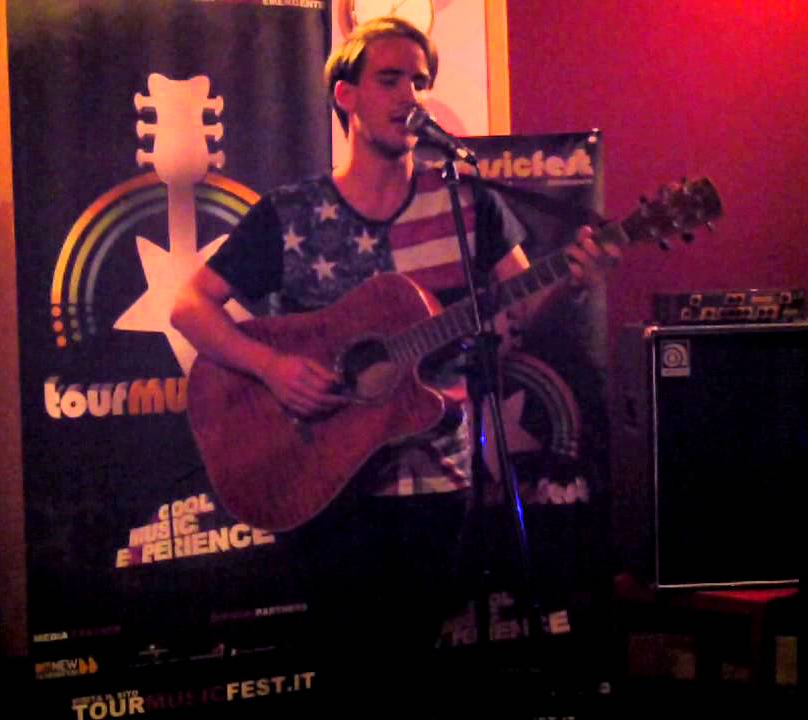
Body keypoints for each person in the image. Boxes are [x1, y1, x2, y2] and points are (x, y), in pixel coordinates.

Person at [170, 16, 619, 704]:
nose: (410, 94)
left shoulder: (468, 203)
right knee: (350, 675)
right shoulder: (291, 214)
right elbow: (190, 306)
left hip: (437, 480)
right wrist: (272, 368)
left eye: (420, 80)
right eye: (390, 79)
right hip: (321, 477)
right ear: (345, 95)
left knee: (412, 672)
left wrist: (572, 278)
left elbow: (516, 308)